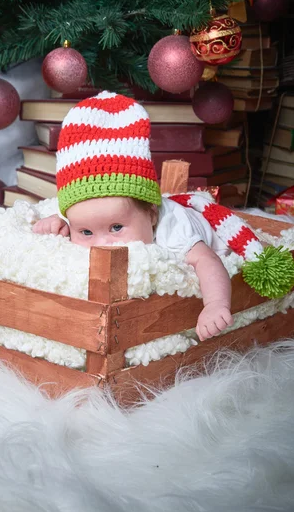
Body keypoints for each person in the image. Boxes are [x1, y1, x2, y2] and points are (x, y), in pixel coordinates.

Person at [33, 91, 294, 341]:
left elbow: (208, 261)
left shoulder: (174, 230)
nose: (103, 243)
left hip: (212, 238)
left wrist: (215, 304)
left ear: (152, 215)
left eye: (116, 227)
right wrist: (57, 227)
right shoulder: (87, 214)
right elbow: (68, 227)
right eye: (86, 232)